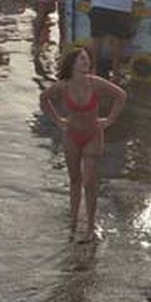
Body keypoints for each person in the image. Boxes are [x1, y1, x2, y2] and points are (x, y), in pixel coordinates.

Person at [39, 47, 127, 243]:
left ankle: (90, 225)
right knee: (75, 180)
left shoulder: (95, 83)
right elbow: (44, 99)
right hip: (71, 134)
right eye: (81, 59)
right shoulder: (63, 85)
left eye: (87, 59)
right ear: (72, 63)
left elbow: (121, 95)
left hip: (93, 134)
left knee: (89, 181)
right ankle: (72, 220)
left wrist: (110, 120)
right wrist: (57, 120)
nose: (86, 62)